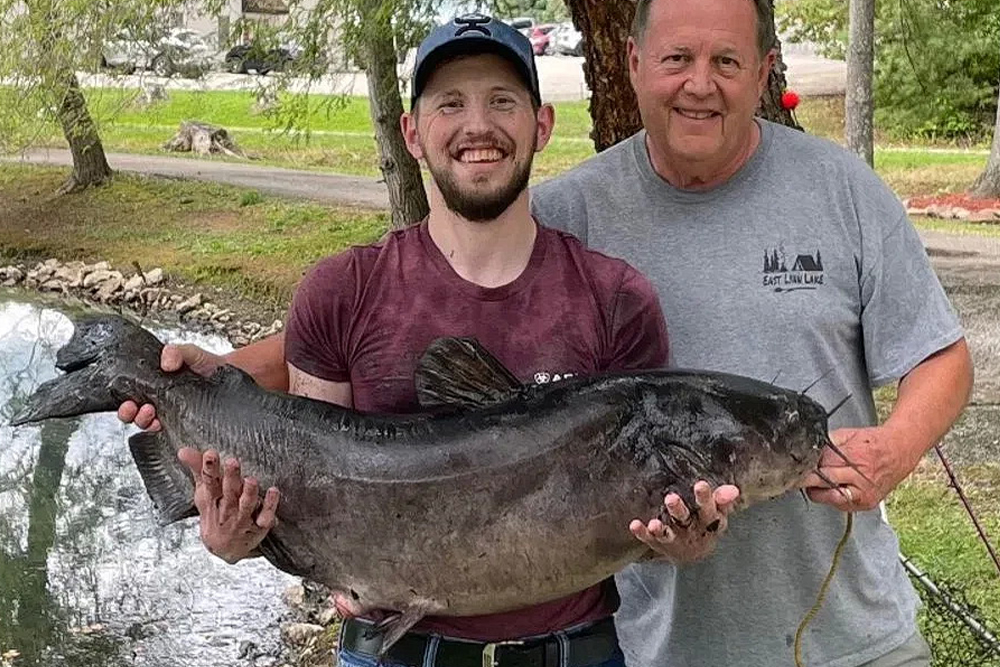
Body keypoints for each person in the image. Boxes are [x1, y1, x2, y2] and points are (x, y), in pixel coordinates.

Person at [119, 14, 740, 667]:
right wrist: (237, 534)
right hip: (390, 652)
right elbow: (304, 488)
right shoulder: (339, 291)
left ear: (542, 125)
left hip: (575, 651)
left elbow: (653, 518)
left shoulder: (617, 300)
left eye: (502, 101)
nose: (478, 125)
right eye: (451, 104)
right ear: (413, 133)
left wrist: (685, 542)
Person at [526, 0, 975, 666]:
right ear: (634, 63)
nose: (700, 84)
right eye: (677, 58)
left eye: (727, 61)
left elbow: (943, 355)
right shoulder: (567, 217)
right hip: (663, 645)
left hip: (858, 637)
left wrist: (897, 446)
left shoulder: (842, 190)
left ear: (764, 72)